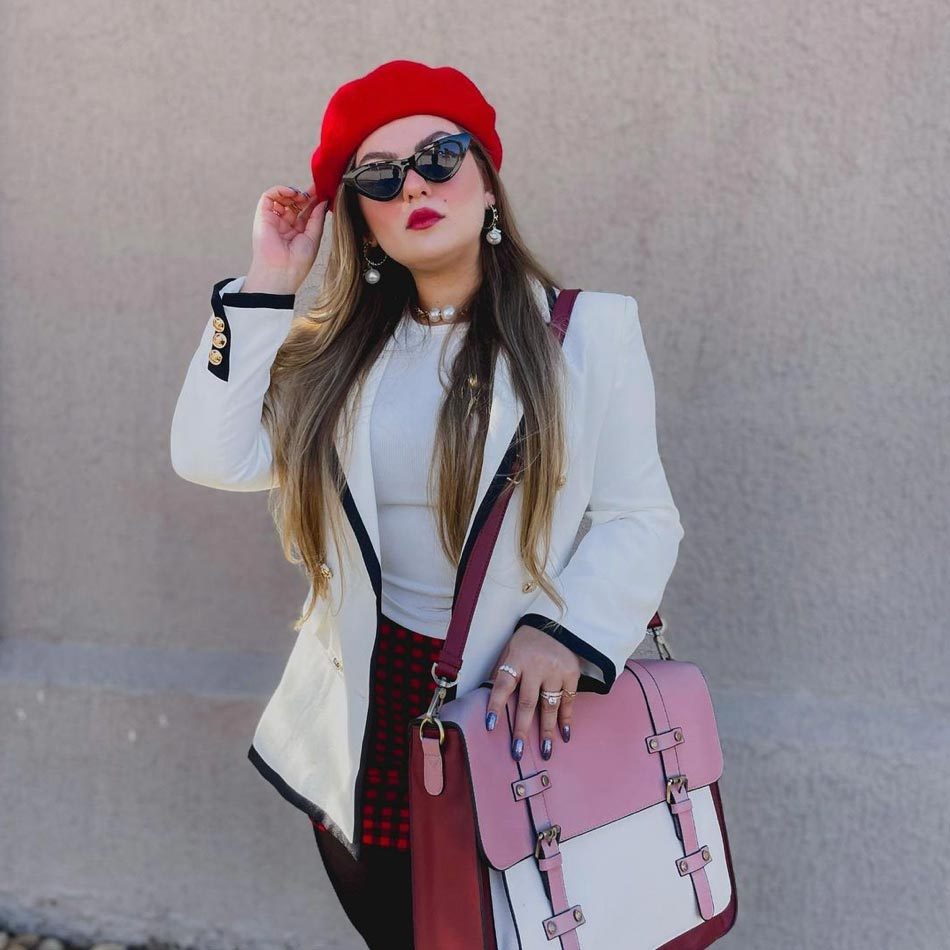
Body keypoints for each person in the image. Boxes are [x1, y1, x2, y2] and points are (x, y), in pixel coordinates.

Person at [170, 58, 684, 949]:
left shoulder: (589, 333)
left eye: (441, 156)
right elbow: (211, 457)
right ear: (362, 220)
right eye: (379, 175)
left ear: (486, 181)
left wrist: (566, 633)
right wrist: (267, 278)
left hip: (521, 708)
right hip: (368, 718)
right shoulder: (337, 362)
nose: (415, 182)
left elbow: (643, 517)